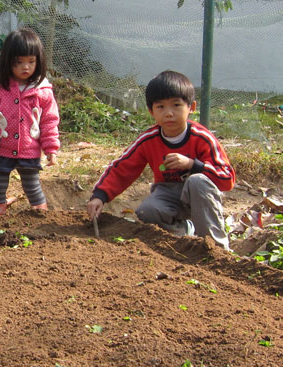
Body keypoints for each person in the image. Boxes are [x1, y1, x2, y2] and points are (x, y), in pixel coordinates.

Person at [87, 70, 235, 249]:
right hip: (168, 193)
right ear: (151, 111)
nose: (169, 113)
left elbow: (226, 179)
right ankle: (181, 236)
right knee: (147, 210)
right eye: (161, 107)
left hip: (200, 195)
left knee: (197, 182)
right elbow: (123, 168)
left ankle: (215, 247)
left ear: (191, 107)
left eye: (176, 105)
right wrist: (100, 196)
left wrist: (192, 164)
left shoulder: (202, 138)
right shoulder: (148, 140)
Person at [0, 28, 60, 216]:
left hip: (28, 149)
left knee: (33, 187)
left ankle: (41, 217)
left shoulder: (42, 91)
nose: (25, 67)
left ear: (38, 61)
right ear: (8, 61)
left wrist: (51, 148)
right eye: (19, 62)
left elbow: (49, 122)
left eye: (31, 61)